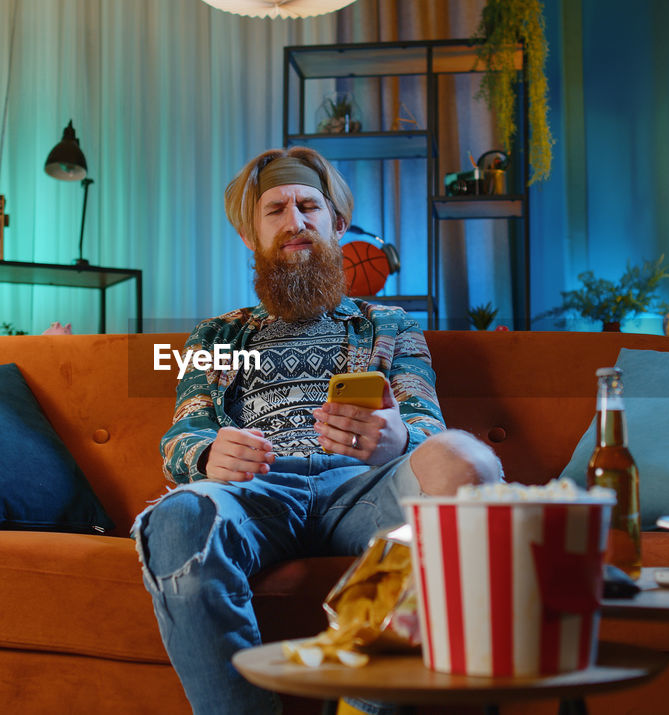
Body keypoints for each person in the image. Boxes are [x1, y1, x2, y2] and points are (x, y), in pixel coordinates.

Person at [132, 146, 503, 715]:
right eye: (274, 210)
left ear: (337, 223)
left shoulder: (390, 325)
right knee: (177, 516)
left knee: (465, 462)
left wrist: (398, 438)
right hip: (256, 489)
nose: (294, 222)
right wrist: (209, 456)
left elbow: (428, 423)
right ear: (250, 236)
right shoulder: (217, 337)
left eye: (308, 206)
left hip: (366, 487)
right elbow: (182, 438)